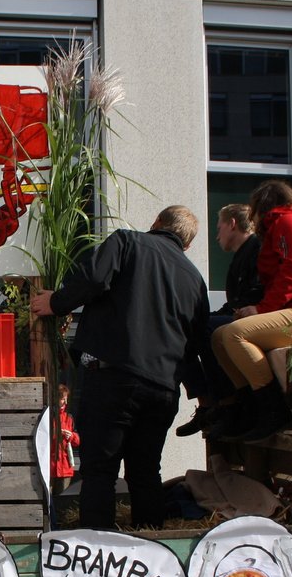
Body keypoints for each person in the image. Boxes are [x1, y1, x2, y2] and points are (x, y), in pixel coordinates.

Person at [30, 205, 210, 530]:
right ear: (187, 244)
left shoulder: (128, 242)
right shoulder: (194, 278)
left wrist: (56, 303)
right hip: (163, 389)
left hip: (115, 377)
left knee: (100, 470)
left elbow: (94, 278)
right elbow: (197, 340)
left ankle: (97, 545)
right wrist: (202, 394)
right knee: (146, 471)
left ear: (157, 221)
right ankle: (151, 542)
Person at [210, 179, 292, 442]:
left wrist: (262, 309)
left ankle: (273, 410)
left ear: (261, 205)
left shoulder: (289, 222)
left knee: (235, 333)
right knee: (219, 337)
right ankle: (249, 407)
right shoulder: (280, 227)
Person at [176, 204, 263, 436]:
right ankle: (206, 403)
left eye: (219, 228)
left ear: (232, 224)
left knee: (205, 328)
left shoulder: (257, 249)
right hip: (240, 314)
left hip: (255, 317)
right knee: (183, 327)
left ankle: (226, 402)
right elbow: (236, 302)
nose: (217, 236)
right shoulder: (241, 256)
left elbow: (256, 295)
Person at [51, 383, 80, 496]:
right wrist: (54, 433)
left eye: (66, 399)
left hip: (65, 466)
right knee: (47, 499)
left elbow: (77, 441)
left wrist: (71, 436)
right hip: (50, 466)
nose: (65, 403)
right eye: (63, 399)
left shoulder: (69, 417)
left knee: (62, 499)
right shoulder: (48, 416)